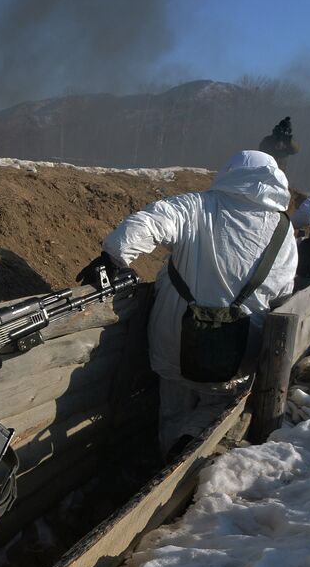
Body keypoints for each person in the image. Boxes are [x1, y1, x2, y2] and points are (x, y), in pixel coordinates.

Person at [77, 151, 298, 459]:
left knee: (173, 407)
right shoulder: (283, 231)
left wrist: (113, 257)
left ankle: (168, 453)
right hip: (236, 349)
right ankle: (190, 453)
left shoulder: (197, 206)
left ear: (229, 173)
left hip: (174, 340)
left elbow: (149, 224)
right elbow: (284, 289)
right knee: (216, 406)